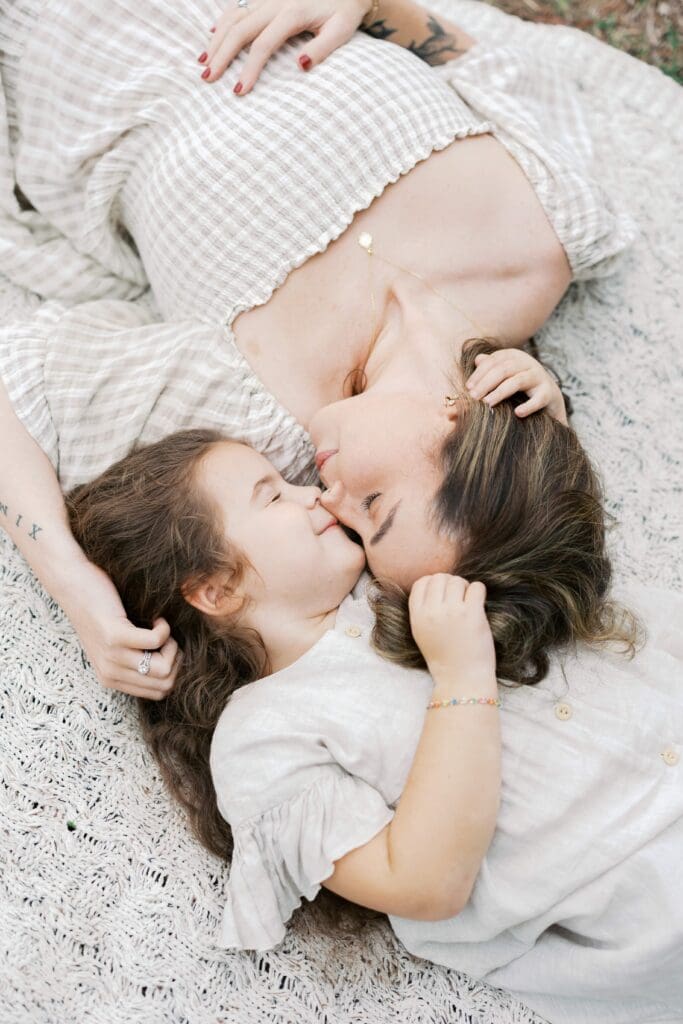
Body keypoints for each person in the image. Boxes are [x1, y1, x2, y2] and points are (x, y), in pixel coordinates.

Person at [0, 0, 635, 698]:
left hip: (63, 46)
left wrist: (73, 584)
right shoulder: (540, 246)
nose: (333, 505)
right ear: (459, 424)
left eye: (356, 538)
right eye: (376, 505)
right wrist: (372, 5)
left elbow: (18, 388)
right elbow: (493, 67)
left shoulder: (261, 410)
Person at [63, 346, 682, 1024]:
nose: (316, 494)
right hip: (636, 898)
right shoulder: (262, 737)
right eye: (273, 493)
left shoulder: (392, 573)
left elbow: (514, 525)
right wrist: (461, 678)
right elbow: (420, 883)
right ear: (215, 588)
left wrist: (528, 416)